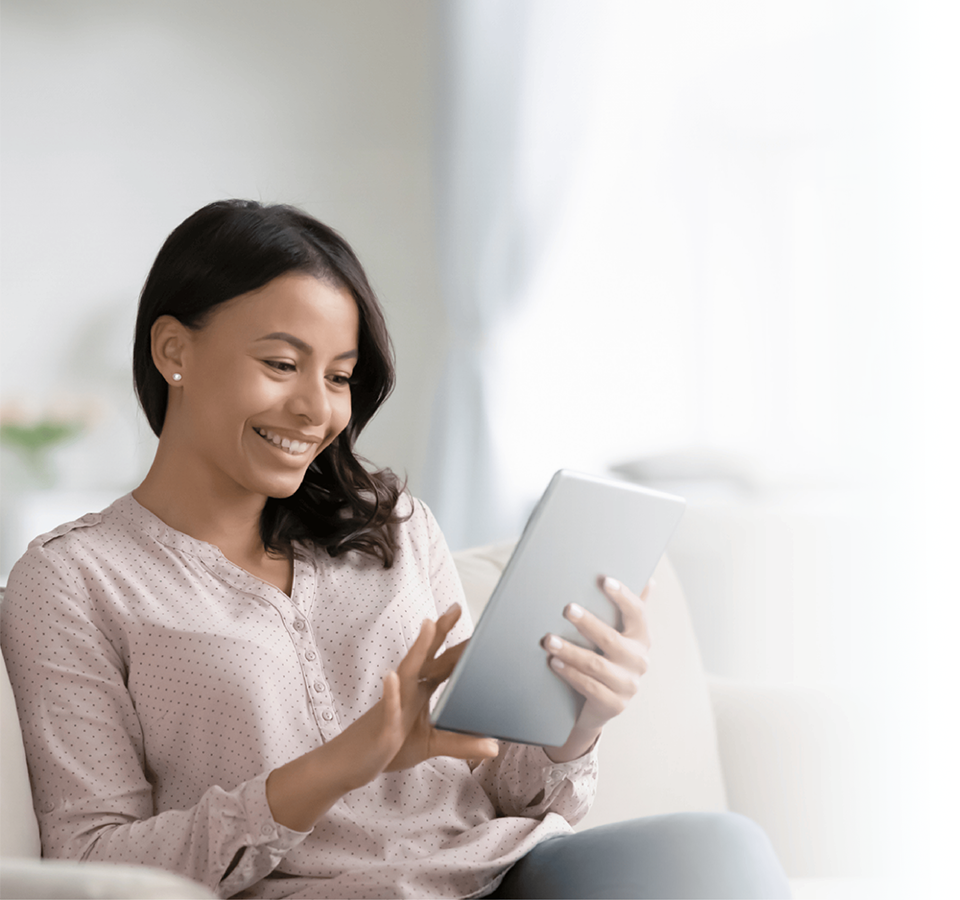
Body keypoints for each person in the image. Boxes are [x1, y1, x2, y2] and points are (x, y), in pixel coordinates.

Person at [1, 200, 789, 899]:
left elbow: (507, 788)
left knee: (718, 846)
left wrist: (573, 723)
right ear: (174, 350)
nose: (317, 409)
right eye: (281, 364)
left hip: (511, 874)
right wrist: (338, 766)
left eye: (340, 376)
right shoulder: (72, 581)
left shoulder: (393, 525)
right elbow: (92, 860)